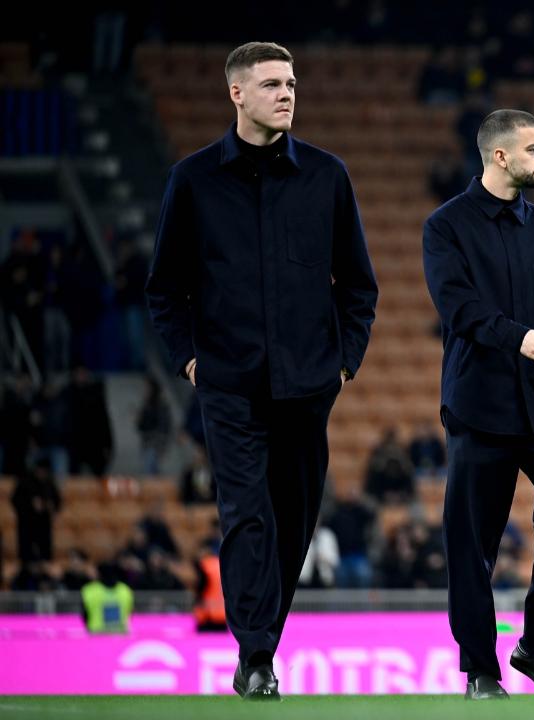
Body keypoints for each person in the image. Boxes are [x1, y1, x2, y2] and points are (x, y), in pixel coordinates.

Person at [145, 42, 378, 702]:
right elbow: (164, 289)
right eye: (272, 83)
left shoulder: (327, 176)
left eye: (292, 83)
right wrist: (190, 359)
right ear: (237, 94)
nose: (286, 94)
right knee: (247, 514)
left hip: (308, 385)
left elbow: (358, 284)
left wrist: (344, 362)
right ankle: (254, 658)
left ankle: (261, 648)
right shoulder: (193, 180)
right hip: (228, 384)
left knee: (294, 522)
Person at [423, 109, 534, 701]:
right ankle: (480, 672)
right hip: (479, 408)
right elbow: (457, 308)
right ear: (500, 156)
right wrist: (517, 337)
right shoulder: (446, 227)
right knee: (472, 547)